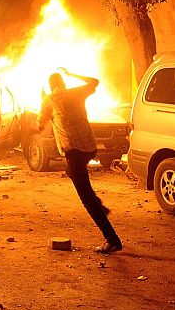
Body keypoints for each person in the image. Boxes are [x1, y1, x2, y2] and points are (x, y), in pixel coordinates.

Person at [38, 67, 122, 254]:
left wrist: (43, 102)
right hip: (90, 149)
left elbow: (39, 125)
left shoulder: (49, 100)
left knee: (86, 198)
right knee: (72, 172)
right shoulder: (76, 92)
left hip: (74, 153)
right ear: (64, 84)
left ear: (51, 87)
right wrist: (72, 74)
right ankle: (98, 205)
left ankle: (112, 239)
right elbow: (94, 82)